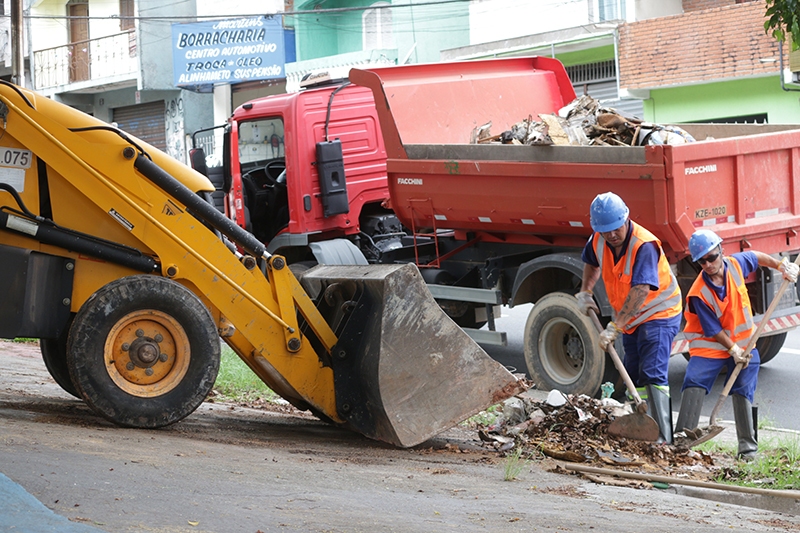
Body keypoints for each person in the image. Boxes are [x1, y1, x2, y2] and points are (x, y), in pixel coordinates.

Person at [675, 229, 798, 460]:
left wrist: (781, 265)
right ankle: (682, 441)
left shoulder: (735, 264)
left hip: (745, 343)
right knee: (694, 380)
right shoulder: (698, 293)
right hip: (710, 345)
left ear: (721, 251)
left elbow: (756, 257)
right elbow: (713, 330)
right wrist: (732, 349)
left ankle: (747, 450)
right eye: (702, 261)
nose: (708, 264)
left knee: (743, 385)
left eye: (712, 257)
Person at [575, 192, 682, 444]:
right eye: (605, 230)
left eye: (615, 228)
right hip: (630, 318)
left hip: (659, 312)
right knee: (632, 372)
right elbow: (591, 262)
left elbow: (641, 290)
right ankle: (641, 430)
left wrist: (615, 327)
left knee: (653, 372)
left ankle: (663, 440)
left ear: (626, 219)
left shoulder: (643, 245)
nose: (611, 235)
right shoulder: (598, 239)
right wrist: (585, 291)